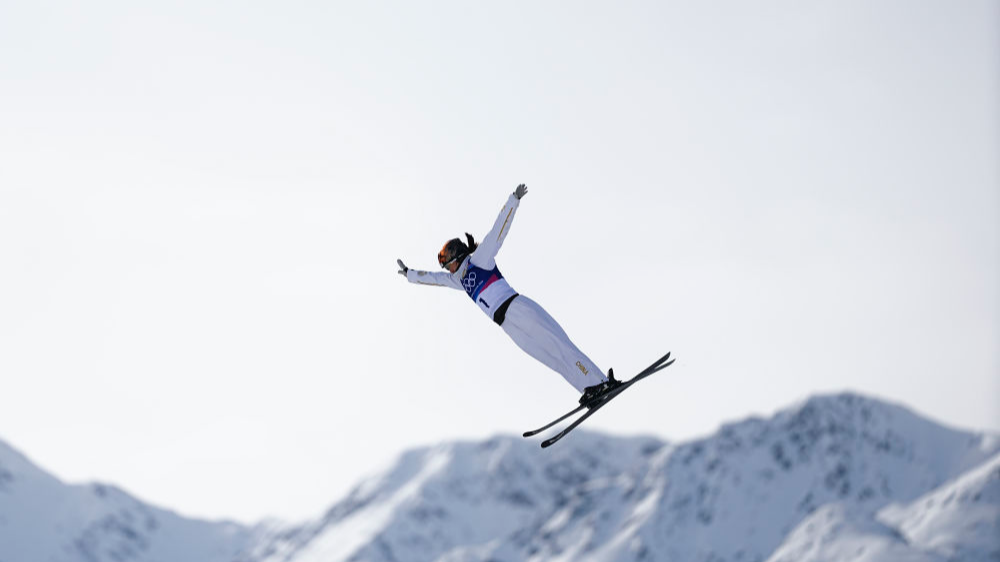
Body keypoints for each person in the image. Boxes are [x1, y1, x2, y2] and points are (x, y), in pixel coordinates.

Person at [396, 184, 620, 405]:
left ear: (457, 256)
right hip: (507, 324)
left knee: (558, 345)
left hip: (517, 308)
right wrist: (410, 274)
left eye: (448, 264)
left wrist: (513, 200)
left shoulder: (479, 260)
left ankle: (600, 381)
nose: (447, 269)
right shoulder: (459, 280)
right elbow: (434, 279)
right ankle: (589, 389)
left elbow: (498, 232)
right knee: (549, 358)